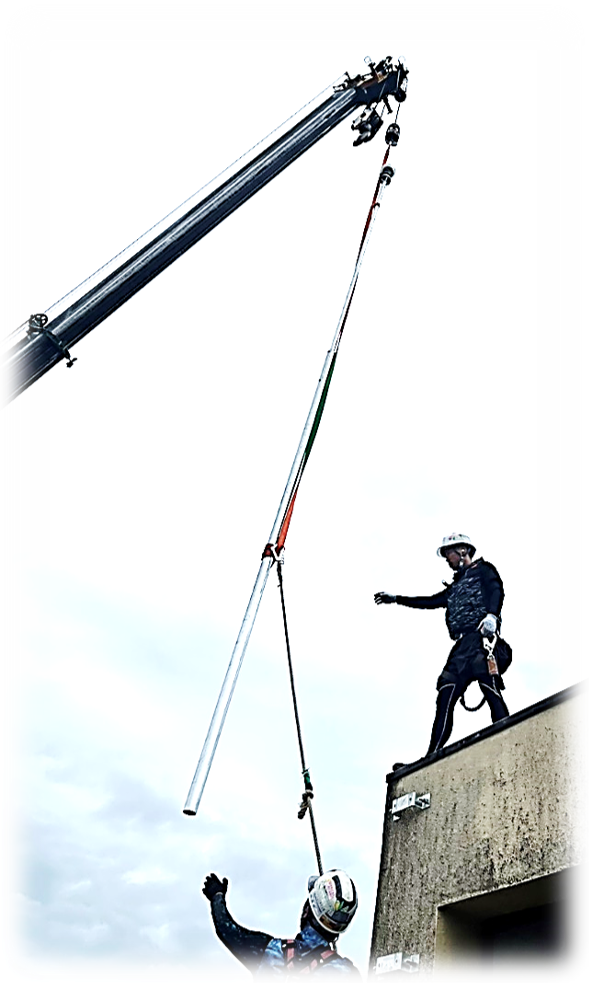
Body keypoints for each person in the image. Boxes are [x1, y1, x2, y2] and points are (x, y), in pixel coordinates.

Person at [374, 533, 511, 755]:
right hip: (461, 646)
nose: (447, 560)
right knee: (445, 694)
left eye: (449, 554)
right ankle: (432, 756)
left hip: (481, 639)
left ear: (463, 551)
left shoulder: (485, 570)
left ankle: (509, 736)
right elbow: (429, 602)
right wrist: (397, 598)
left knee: (489, 686)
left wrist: (492, 616)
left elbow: (497, 590)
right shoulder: (454, 588)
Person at [202, 868, 362, 983]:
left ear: (308, 910)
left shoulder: (269, 952)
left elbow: (226, 929)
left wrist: (217, 896)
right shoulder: (346, 974)